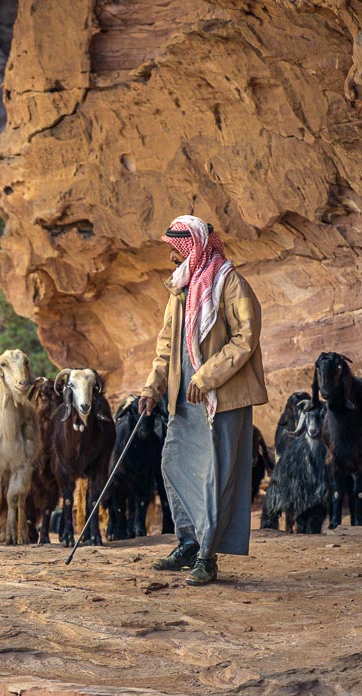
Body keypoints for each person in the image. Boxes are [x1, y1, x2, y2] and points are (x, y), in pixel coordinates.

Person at [138, 215, 267, 586]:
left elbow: (246, 338)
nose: (171, 259)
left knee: (214, 479)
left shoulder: (229, 282)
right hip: (183, 399)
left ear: (192, 247)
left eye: (175, 251)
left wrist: (206, 376)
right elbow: (167, 345)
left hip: (219, 399)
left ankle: (208, 557)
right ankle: (189, 543)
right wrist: (152, 387)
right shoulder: (180, 288)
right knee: (173, 465)